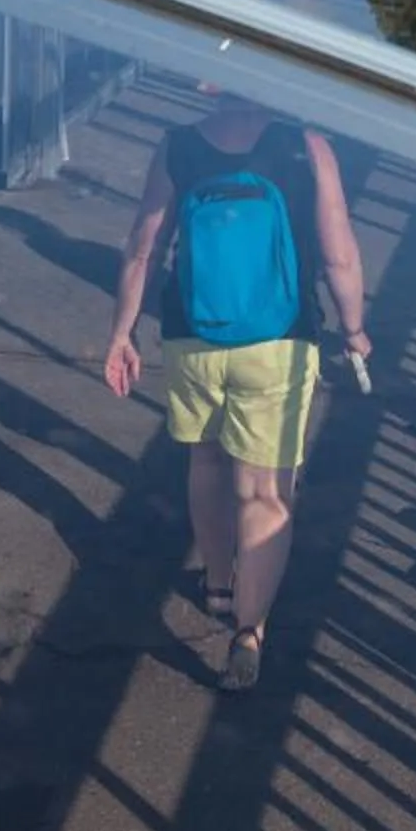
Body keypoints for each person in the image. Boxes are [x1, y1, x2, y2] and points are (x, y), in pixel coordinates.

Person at [104, 92, 368, 692]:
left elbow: (143, 248)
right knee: (265, 496)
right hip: (279, 342)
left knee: (206, 461)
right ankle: (248, 633)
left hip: (192, 337)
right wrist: (354, 330)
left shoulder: (179, 146)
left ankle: (219, 585)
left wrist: (122, 332)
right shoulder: (309, 148)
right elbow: (339, 255)